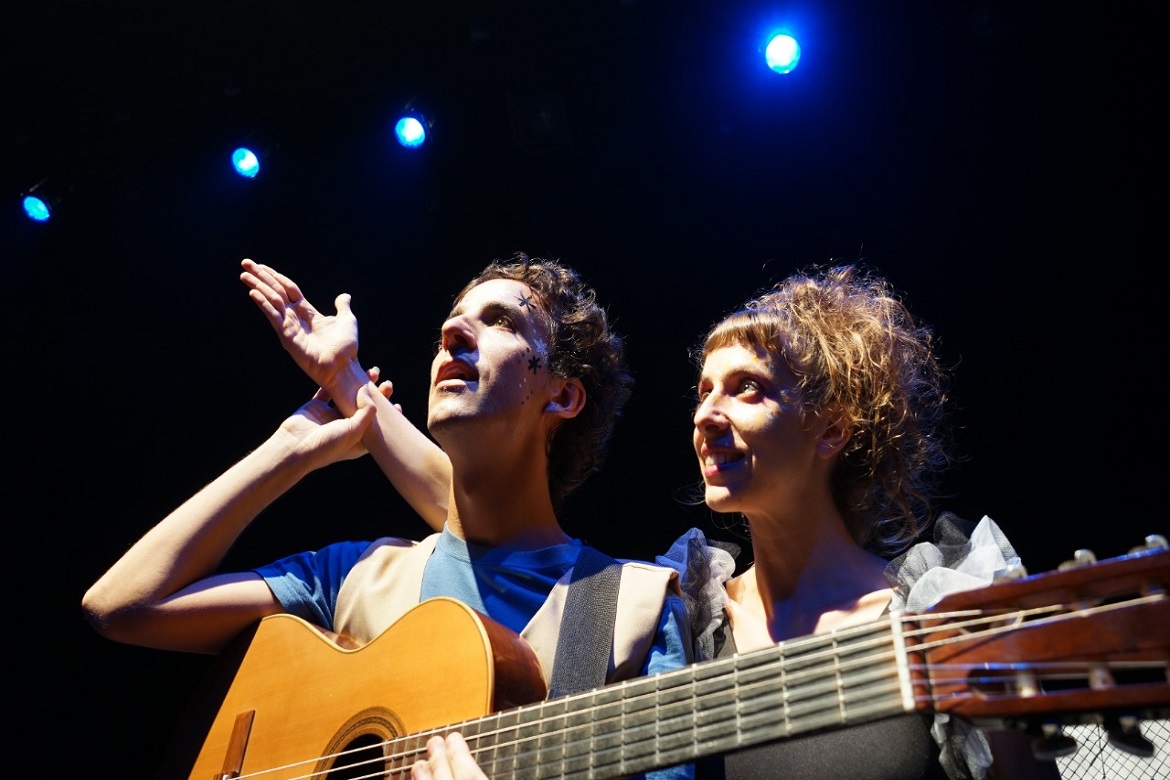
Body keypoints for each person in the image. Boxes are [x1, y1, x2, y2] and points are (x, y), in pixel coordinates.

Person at [333, 262, 1053, 780]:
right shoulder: (687, 610)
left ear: (831, 428)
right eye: (704, 391)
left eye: (747, 391)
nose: (707, 415)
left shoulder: (938, 616)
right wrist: (355, 395)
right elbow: (466, 513)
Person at [81, 253, 695, 780]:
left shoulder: (634, 611)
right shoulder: (356, 575)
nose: (454, 330)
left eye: (501, 321)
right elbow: (122, 607)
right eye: (451, 322)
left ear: (561, 394)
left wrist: (349, 381)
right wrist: (288, 449)